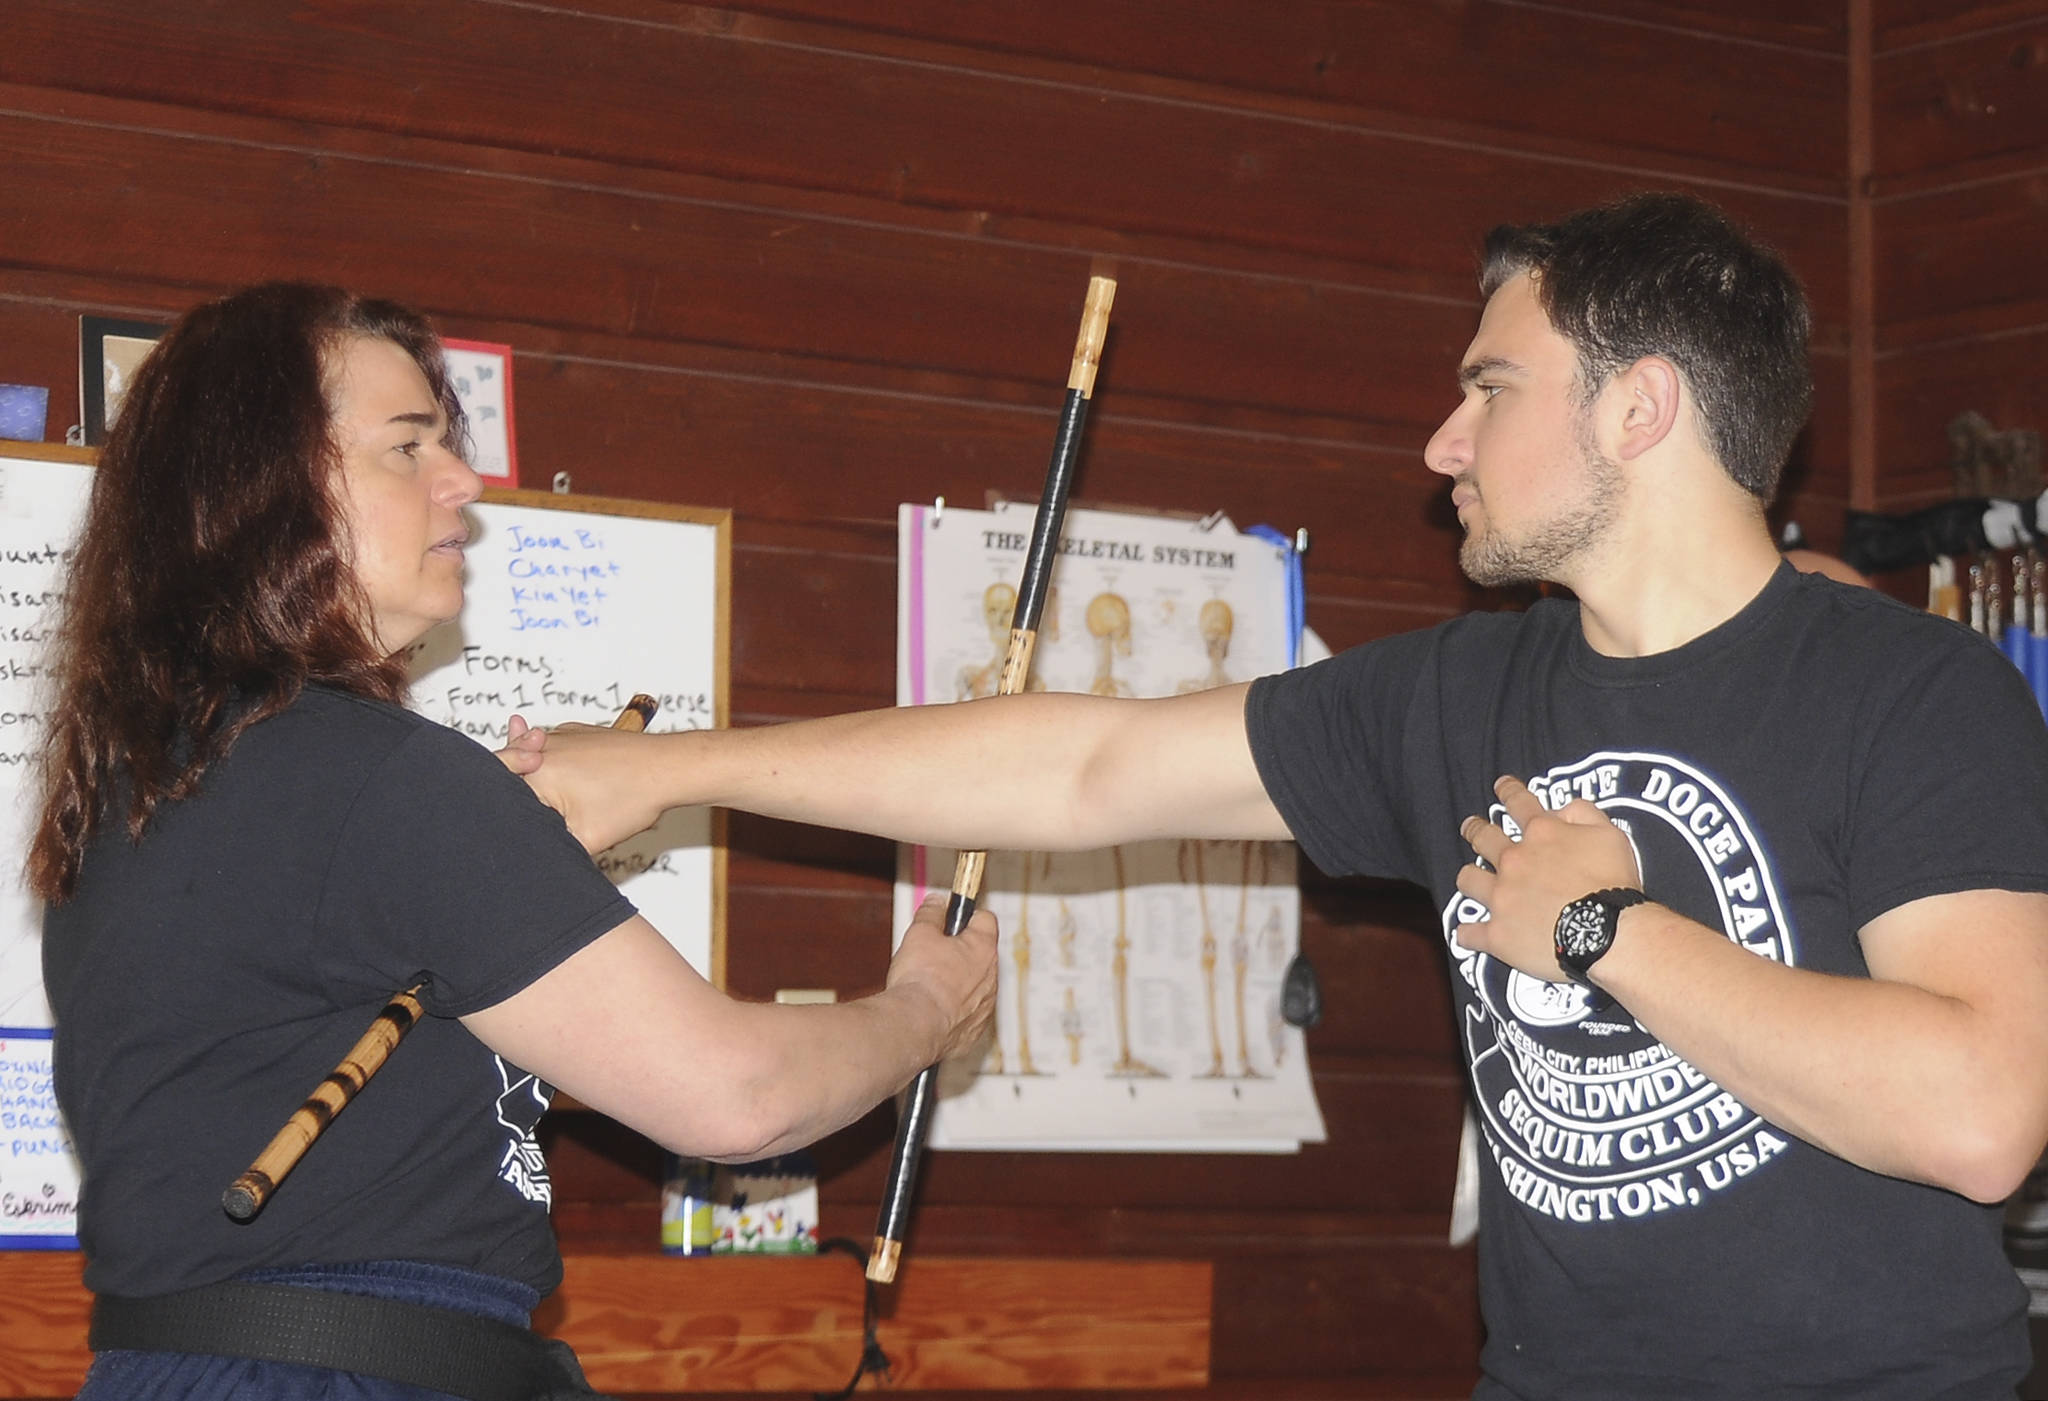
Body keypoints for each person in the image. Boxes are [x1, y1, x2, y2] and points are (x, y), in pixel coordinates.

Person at [520, 193, 2048, 1398]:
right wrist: (671, 768)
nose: (1443, 442)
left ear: (1638, 408)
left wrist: (1605, 931)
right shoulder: (1454, 695)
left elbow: (1981, 1115)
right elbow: (1083, 764)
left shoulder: (1915, 691)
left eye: (1491, 386)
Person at [30, 282, 997, 1400]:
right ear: (264, 488)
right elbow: (740, 1095)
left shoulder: (147, 787)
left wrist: (487, 848)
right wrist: (925, 1011)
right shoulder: (375, 778)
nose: (464, 483)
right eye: (408, 447)